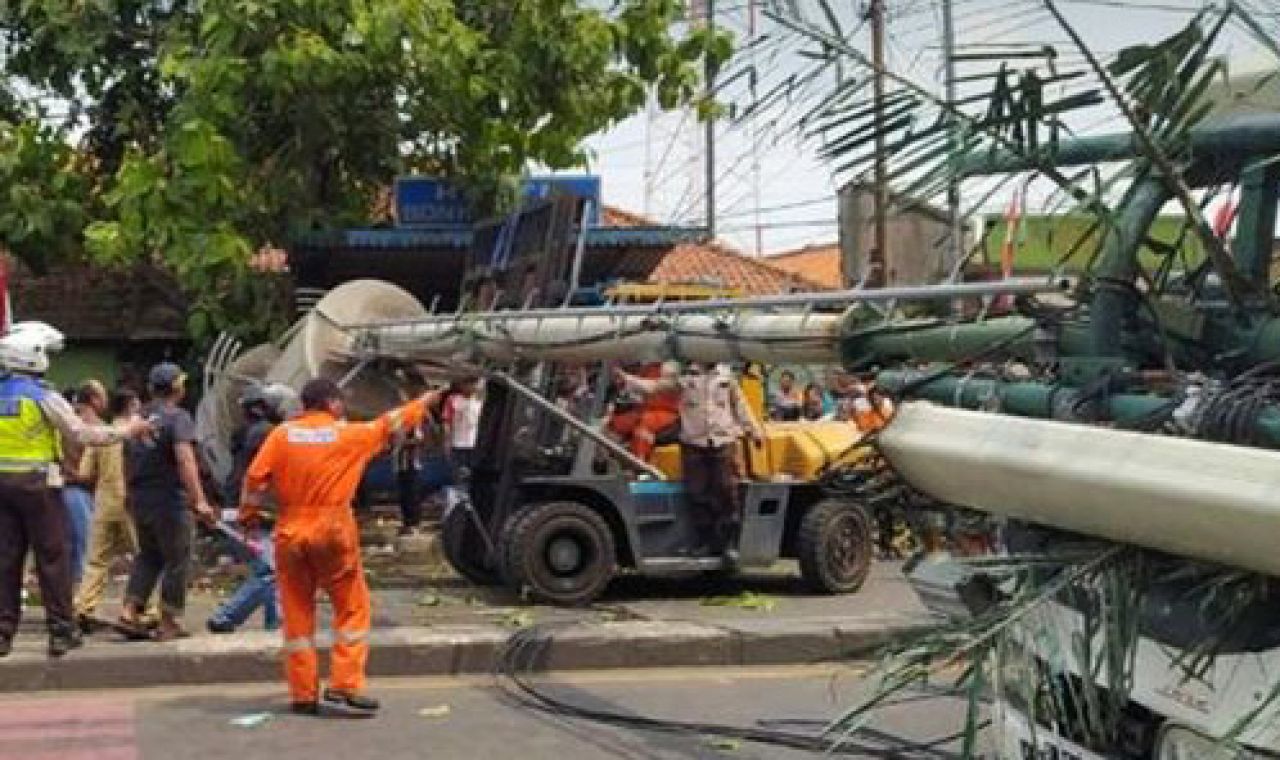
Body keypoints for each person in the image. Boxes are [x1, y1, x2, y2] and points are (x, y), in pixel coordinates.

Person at [240, 377, 442, 717]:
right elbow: (391, 422)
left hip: (290, 531)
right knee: (351, 607)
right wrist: (424, 402)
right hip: (332, 529)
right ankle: (344, 685)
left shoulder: (281, 435)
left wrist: (249, 515)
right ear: (332, 404)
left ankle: (303, 693)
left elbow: (254, 479)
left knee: (297, 613)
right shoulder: (347, 435)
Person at [0, 322, 151, 657]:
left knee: (7, 561)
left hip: (2, 488)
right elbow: (83, 434)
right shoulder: (43, 397)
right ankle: (61, 631)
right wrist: (126, 430)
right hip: (39, 486)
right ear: (34, 357)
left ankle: (3, 632)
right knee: (53, 558)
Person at [616, 362, 765, 562]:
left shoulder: (726, 375)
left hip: (722, 440)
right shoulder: (685, 374)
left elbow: (740, 405)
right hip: (694, 441)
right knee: (697, 493)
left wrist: (754, 431)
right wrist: (628, 380)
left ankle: (728, 544)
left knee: (725, 490)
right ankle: (704, 542)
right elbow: (655, 386)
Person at [120, 362, 215, 641]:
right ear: (177, 387)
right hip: (170, 500)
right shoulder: (178, 418)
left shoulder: (137, 418)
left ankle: (129, 611)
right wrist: (200, 500)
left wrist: (128, 493)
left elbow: (126, 458)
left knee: (148, 555)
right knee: (177, 559)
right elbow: (185, 459)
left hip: (141, 498)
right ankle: (169, 621)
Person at [208, 386, 289, 633]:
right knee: (270, 570)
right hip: (249, 511)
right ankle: (226, 617)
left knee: (272, 568)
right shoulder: (266, 433)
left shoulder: (244, 433)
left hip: (238, 508)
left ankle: (274, 622)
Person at [74, 387, 151, 630]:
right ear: (131, 407)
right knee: (147, 556)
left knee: (96, 559)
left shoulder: (102, 434)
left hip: (104, 501)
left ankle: (83, 607)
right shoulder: (139, 433)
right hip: (131, 502)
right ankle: (147, 610)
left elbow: (85, 473)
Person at [61, 384, 100, 586]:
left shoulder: (63, 427)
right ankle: (76, 597)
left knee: (69, 546)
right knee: (81, 546)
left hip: (67, 488)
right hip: (78, 491)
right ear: (93, 400)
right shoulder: (91, 427)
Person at [442, 376, 482, 479]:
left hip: (474, 445)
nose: (473, 386)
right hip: (457, 444)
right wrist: (447, 442)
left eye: (475, 384)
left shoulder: (479, 401)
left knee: (471, 474)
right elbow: (447, 422)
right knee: (457, 474)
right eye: (469, 384)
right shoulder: (453, 400)